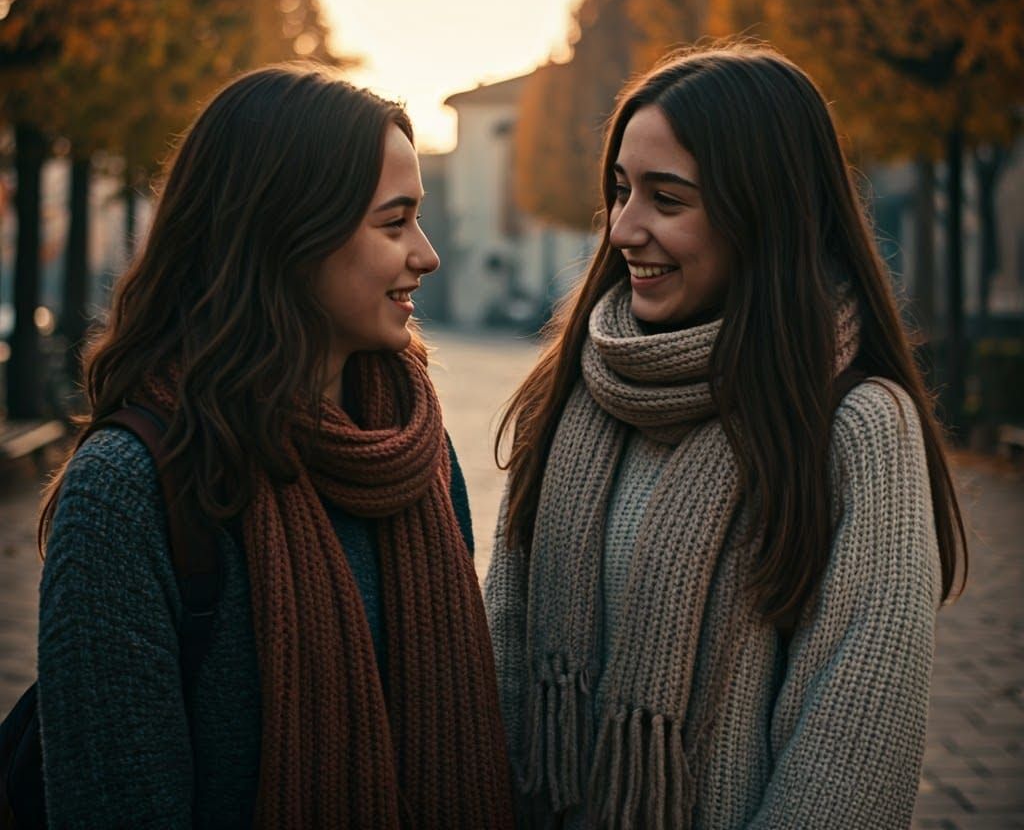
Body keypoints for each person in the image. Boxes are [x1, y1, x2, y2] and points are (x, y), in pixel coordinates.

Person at [484, 45, 967, 829]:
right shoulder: (574, 388)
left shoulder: (859, 429)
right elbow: (501, 659)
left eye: (667, 199)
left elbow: (850, 761)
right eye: (620, 191)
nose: (623, 228)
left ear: (762, 215)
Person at [37, 63, 513, 829]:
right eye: (393, 224)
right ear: (289, 234)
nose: (425, 254)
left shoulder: (413, 455)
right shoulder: (127, 492)